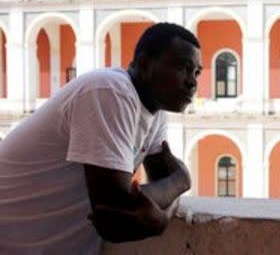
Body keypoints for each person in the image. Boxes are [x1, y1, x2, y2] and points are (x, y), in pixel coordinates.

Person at [0, 23, 203, 254]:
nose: (192, 82)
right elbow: (114, 208)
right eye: (184, 68)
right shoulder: (109, 90)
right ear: (145, 64)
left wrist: (166, 207)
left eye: (197, 72)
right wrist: (182, 182)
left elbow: (161, 186)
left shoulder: (154, 114)